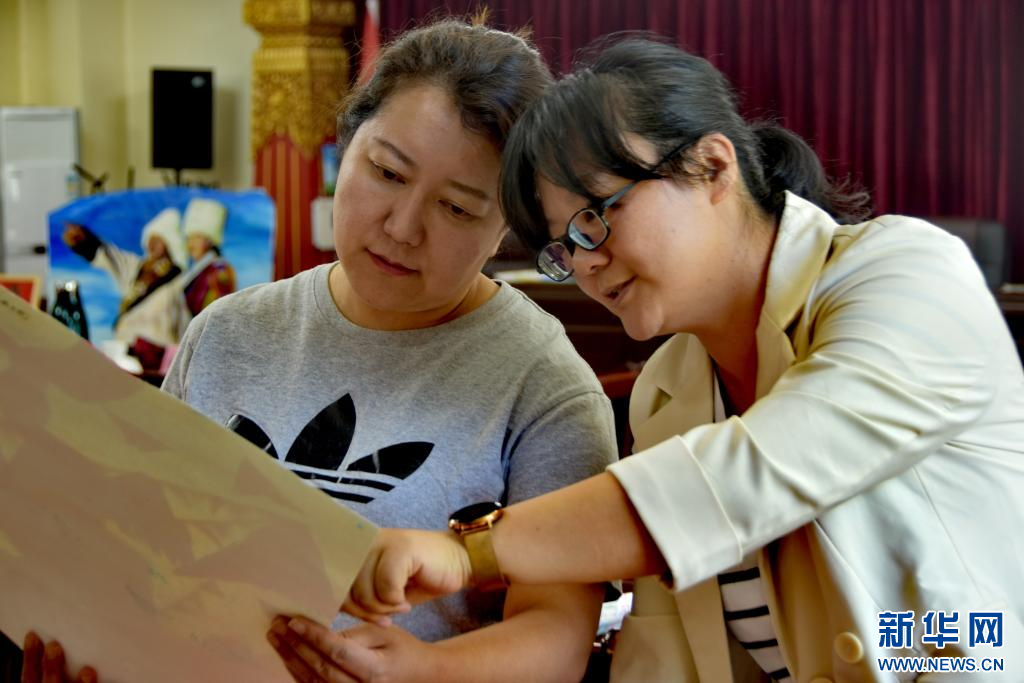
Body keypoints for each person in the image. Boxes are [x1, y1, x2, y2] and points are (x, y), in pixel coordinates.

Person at [342, 38, 1024, 682]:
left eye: (597, 215)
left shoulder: (906, 274)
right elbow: (668, 651)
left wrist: (470, 551)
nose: (586, 262)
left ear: (713, 167)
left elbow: (751, 474)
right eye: (565, 245)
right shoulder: (668, 389)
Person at [163, 16, 612, 683]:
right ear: (346, 146)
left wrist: (429, 670)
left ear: (506, 229)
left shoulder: (543, 386)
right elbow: (149, 541)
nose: (403, 228)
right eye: (387, 172)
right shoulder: (225, 333)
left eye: (457, 209)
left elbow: (559, 637)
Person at [63, 207, 188, 349]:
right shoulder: (136, 268)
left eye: (159, 240)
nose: (153, 245)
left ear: (169, 243)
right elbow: (111, 256)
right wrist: (84, 241)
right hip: (127, 344)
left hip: (160, 348)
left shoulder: (179, 278)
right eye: (151, 239)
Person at [179, 196, 236, 317]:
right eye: (189, 238)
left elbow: (217, 315)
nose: (191, 244)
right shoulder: (196, 272)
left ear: (210, 241)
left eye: (197, 237)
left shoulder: (219, 271)